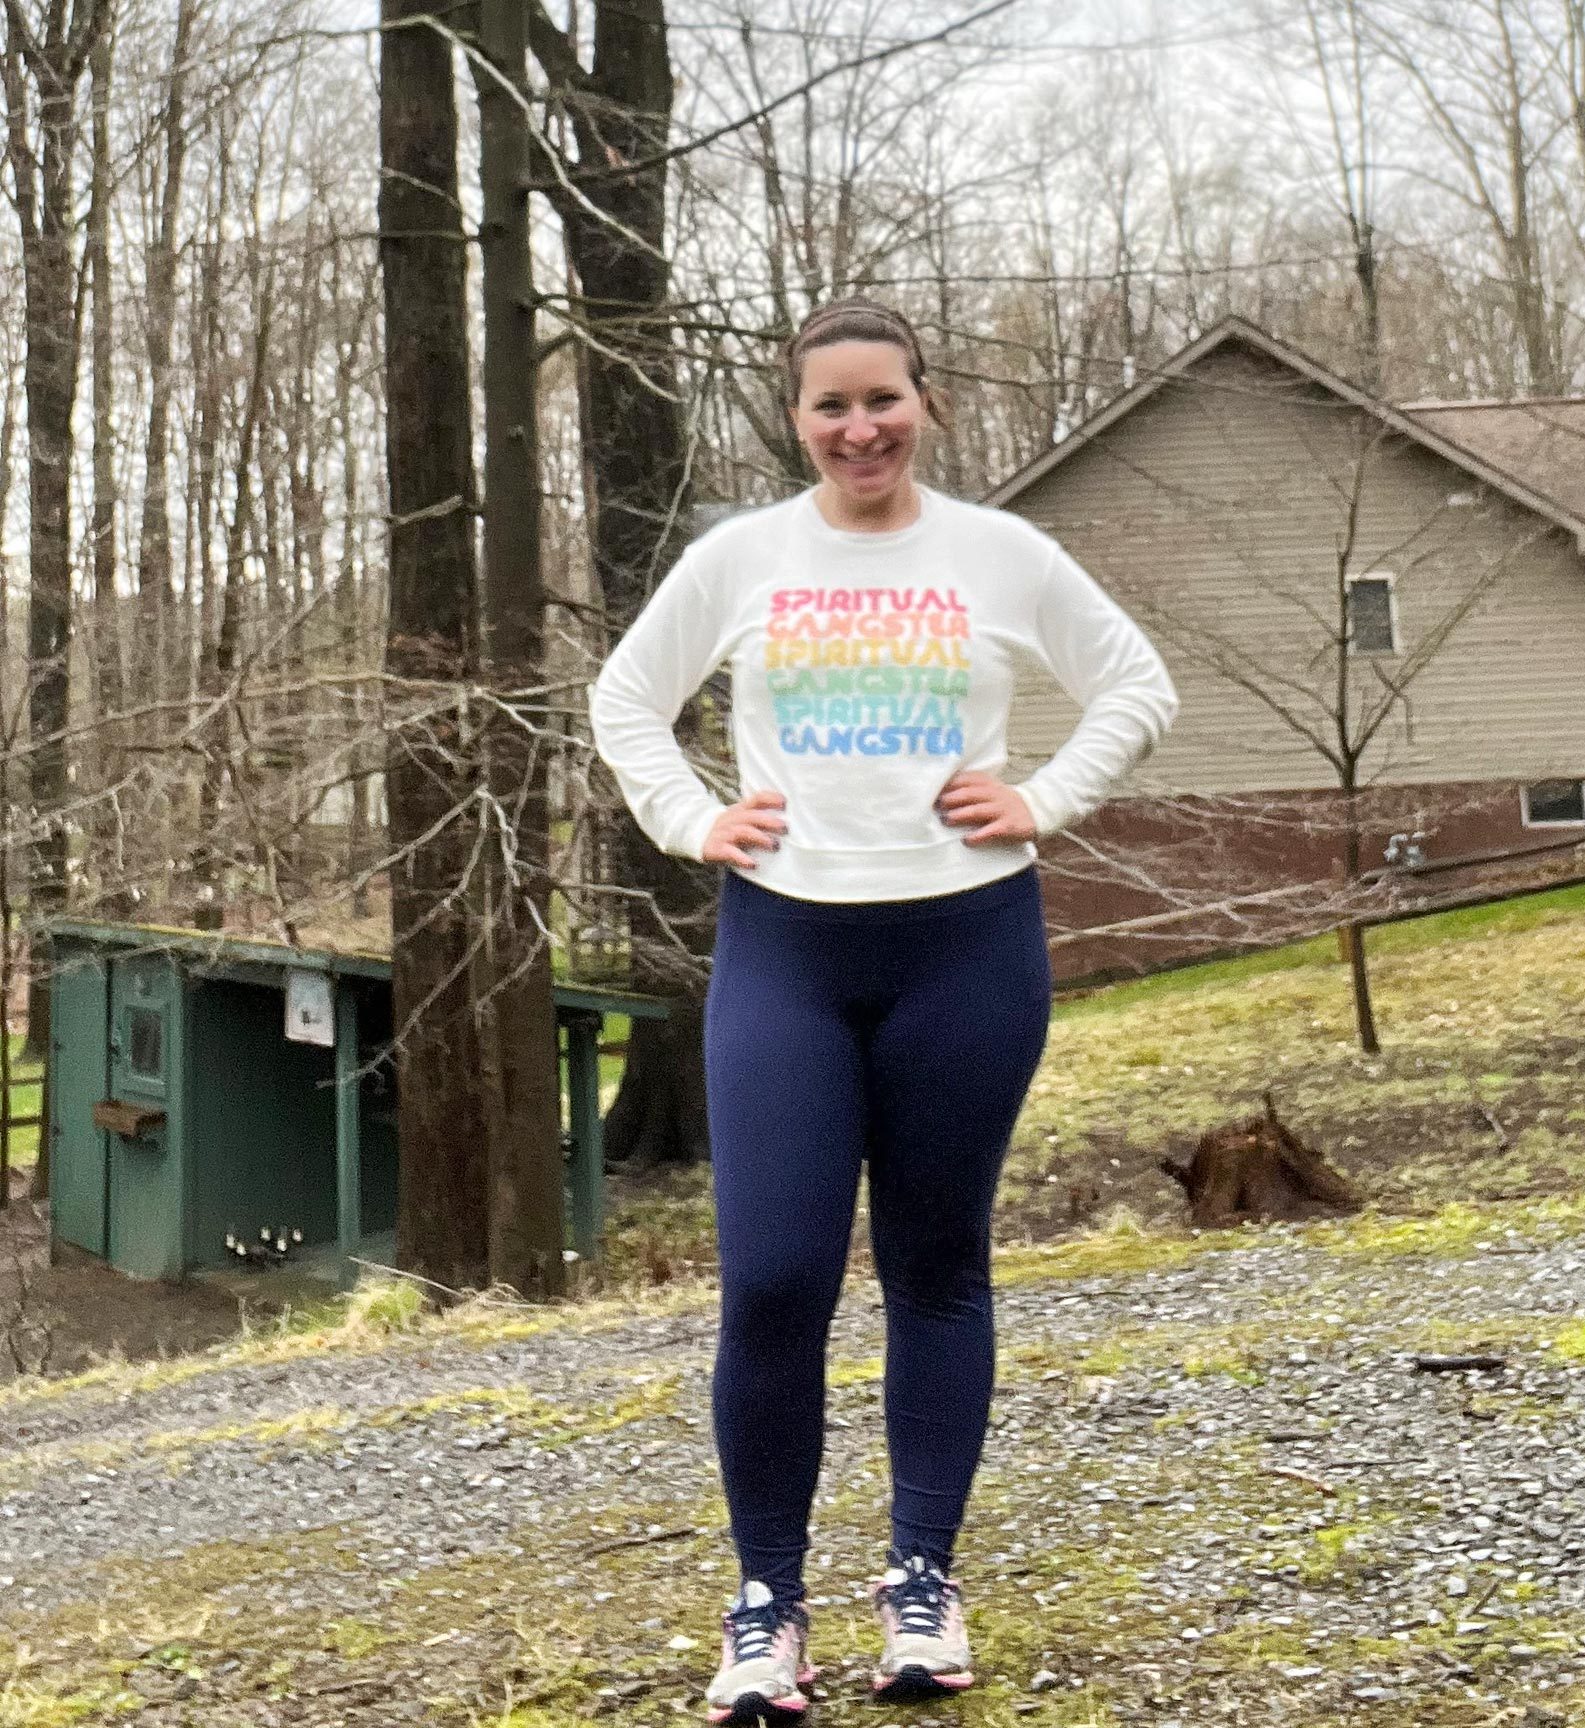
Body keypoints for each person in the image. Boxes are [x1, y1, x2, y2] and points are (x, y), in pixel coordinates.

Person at [589, 298, 1178, 1725]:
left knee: (935, 1269)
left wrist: (1040, 799)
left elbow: (1136, 685)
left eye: (884, 401)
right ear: (796, 422)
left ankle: (922, 1580)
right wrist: (692, 821)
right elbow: (624, 700)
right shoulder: (744, 558)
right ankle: (764, 1608)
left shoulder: (997, 553)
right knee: (776, 1279)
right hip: (786, 953)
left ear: (928, 404)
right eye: (831, 407)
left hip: (966, 951)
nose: (861, 428)